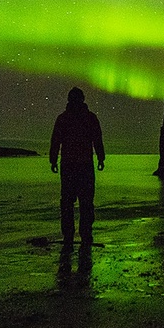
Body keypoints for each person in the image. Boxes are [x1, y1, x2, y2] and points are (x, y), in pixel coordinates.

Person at [49, 87, 105, 253]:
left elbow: (55, 142)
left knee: (68, 202)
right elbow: (97, 140)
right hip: (82, 166)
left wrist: (53, 160)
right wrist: (101, 158)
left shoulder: (64, 119)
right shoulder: (89, 118)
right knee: (84, 202)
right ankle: (84, 234)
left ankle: (71, 235)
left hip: (70, 166)